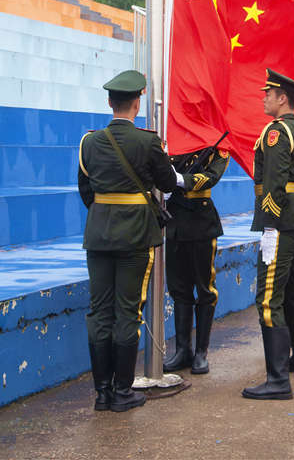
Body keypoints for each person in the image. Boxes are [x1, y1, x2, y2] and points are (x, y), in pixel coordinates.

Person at [78, 70, 179, 413]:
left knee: (99, 313)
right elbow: (166, 183)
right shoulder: (149, 142)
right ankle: (122, 391)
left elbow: (86, 191)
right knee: (127, 312)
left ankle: (102, 393)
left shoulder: (89, 142)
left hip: (99, 234)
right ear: (137, 103)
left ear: (110, 102)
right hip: (135, 234)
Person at [242, 68, 294, 401]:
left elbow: (273, 181)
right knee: (287, 291)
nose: (264, 98)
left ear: (281, 97)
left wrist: (268, 222)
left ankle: (277, 381)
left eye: (267, 94)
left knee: (268, 297)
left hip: (280, 220)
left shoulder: (275, 132)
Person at [163, 146, 230, 375]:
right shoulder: (172, 139)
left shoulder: (217, 146)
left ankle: (201, 352)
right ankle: (183, 350)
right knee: (179, 289)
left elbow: (212, 177)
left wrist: (181, 180)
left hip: (201, 222)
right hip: (174, 222)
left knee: (204, 288)